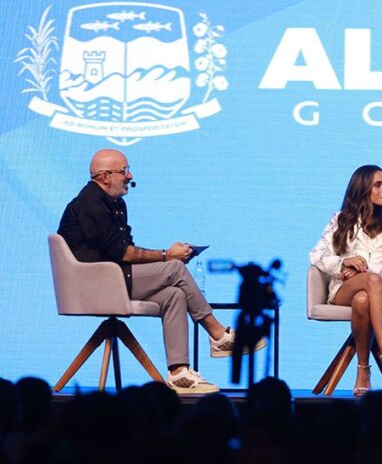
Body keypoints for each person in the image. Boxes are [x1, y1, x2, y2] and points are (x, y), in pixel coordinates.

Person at [57, 149, 264, 394]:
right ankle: (218, 335)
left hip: (115, 279)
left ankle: (179, 374)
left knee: (173, 295)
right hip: (94, 284)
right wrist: (167, 256)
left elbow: (126, 249)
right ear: (104, 177)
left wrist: (167, 259)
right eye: (124, 171)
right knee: (175, 269)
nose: (130, 176)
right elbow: (121, 253)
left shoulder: (116, 204)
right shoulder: (89, 203)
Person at [310, 165, 382, 396]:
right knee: (369, 282)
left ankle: (363, 371)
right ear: (362, 189)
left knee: (365, 297)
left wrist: (362, 269)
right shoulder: (339, 221)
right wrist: (344, 264)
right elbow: (317, 256)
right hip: (344, 287)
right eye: (378, 185)